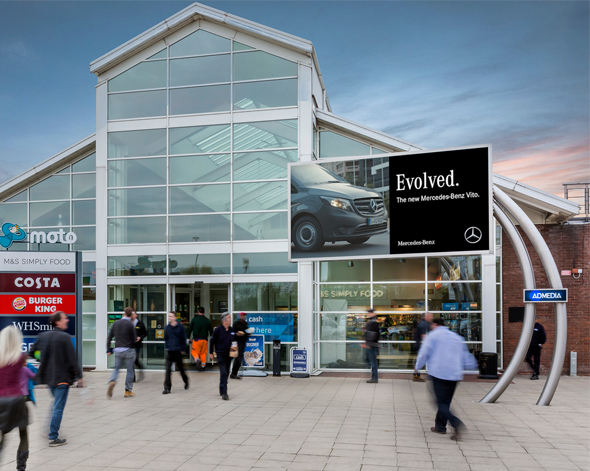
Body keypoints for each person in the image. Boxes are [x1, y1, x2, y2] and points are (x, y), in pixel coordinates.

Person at [414, 318, 478, 440]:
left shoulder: (433, 336)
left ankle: (455, 423)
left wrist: (417, 366)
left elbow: (424, 352)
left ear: (435, 324)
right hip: (454, 375)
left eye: (432, 324)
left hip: (439, 373)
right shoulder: (456, 337)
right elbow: (465, 355)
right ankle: (440, 427)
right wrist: (472, 368)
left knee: (439, 403)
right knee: (446, 402)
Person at [31, 311, 83, 447]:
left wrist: (41, 359)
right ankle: (53, 437)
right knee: (58, 407)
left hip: (49, 378)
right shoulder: (65, 337)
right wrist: (79, 376)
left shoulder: (43, 336)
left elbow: (32, 352)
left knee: (56, 404)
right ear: (58, 322)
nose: (67, 320)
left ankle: (48, 429)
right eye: (65, 318)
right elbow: (72, 359)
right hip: (62, 378)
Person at [0, 327, 31, 469]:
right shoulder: (20, 357)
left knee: (2, 437)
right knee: (23, 435)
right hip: (17, 399)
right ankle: (21, 467)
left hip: (1, 400)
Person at [106, 307, 136, 398]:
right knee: (130, 371)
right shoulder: (130, 324)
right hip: (128, 350)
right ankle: (128, 390)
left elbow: (109, 337)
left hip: (118, 350)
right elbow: (134, 339)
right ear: (130, 315)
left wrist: (108, 349)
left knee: (116, 368)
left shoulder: (116, 323)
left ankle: (112, 381)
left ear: (124, 313)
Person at [210, 312, 235, 400]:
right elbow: (212, 341)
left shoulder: (232, 330)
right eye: (229, 317)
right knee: (224, 372)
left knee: (226, 372)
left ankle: (221, 388)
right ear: (224, 320)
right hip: (220, 354)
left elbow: (235, 341)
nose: (230, 319)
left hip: (229, 355)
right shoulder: (218, 330)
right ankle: (224, 393)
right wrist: (210, 353)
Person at [163, 311, 189, 394]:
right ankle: (167, 388)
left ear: (175, 317)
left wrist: (183, 349)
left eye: (171, 316)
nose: (170, 318)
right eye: (169, 316)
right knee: (168, 370)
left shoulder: (180, 327)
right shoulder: (167, 327)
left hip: (178, 351)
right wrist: (167, 347)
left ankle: (186, 380)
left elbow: (183, 338)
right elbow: (166, 338)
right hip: (170, 351)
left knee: (181, 369)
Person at [188, 307, 213, 371]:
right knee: (203, 353)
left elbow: (189, 329)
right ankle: (203, 366)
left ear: (198, 311)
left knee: (194, 351)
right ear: (204, 312)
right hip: (204, 340)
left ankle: (197, 359)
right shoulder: (207, 320)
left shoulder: (194, 320)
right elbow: (211, 331)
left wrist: (188, 337)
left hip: (196, 339)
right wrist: (212, 339)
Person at [413, 312, 433, 382]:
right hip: (421, 346)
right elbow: (423, 336)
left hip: (421, 345)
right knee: (419, 361)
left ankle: (417, 375)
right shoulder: (423, 324)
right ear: (426, 317)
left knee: (421, 360)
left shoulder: (424, 323)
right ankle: (416, 376)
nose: (431, 318)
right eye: (430, 316)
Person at [231, 312, 250, 379]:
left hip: (243, 342)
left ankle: (234, 373)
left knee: (239, 357)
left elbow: (247, 332)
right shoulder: (236, 324)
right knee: (238, 357)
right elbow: (232, 332)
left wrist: (249, 333)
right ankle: (233, 373)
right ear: (240, 316)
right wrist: (237, 334)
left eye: (244, 316)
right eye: (242, 315)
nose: (244, 317)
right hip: (237, 342)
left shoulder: (245, 324)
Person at [364, 309, 380, 384]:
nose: (369, 314)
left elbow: (373, 334)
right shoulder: (371, 322)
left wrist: (368, 343)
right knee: (368, 360)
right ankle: (374, 377)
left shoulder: (374, 323)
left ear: (373, 313)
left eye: (370, 313)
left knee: (373, 362)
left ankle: (374, 378)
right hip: (371, 344)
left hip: (372, 345)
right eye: (368, 313)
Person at [132, 311, 147, 382]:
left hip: (137, 345)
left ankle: (140, 367)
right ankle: (132, 377)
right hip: (130, 345)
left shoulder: (140, 323)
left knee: (135, 360)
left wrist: (140, 337)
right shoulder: (128, 323)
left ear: (136, 315)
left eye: (133, 314)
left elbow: (145, 333)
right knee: (131, 361)